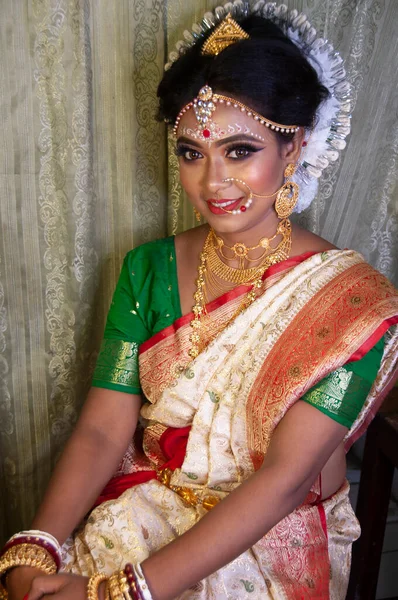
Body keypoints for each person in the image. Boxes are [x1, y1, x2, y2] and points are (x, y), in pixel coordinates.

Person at [2, 2, 398, 599]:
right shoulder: (149, 269)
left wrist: (124, 592)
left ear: (295, 149)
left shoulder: (352, 307)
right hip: (140, 510)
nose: (212, 183)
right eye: (192, 152)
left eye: (241, 151)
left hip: (269, 543)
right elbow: (104, 430)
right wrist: (36, 546)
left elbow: (286, 482)